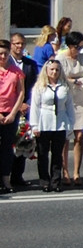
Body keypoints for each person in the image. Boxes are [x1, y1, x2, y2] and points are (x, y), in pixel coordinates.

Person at [30, 58, 75, 192]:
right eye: (52, 69)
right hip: (44, 122)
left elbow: (69, 108)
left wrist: (70, 125)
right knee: (43, 154)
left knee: (57, 155)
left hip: (60, 123)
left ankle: (56, 182)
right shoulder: (40, 87)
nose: (54, 72)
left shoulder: (65, 86)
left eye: (57, 70)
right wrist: (34, 125)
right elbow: (35, 107)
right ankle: (44, 181)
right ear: (46, 71)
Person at [57, 31, 83, 186]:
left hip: (80, 99)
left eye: (81, 47)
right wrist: (72, 81)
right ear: (70, 46)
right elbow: (61, 76)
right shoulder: (61, 58)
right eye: (76, 47)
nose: (78, 50)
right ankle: (65, 171)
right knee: (65, 138)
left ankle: (77, 172)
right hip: (66, 100)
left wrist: (80, 80)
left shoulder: (82, 58)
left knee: (79, 136)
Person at [6, 33, 39, 187]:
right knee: (7, 143)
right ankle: (5, 174)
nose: (19, 47)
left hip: (25, 108)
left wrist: (27, 104)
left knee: (24, 140)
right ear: (11, 45)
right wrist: (17, 105)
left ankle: (18, 176)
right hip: (9, 107)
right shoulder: (5, 62)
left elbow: (33, 87)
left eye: (22, 44)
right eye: (16, 43)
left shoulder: (30, 64)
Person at [0, 40, 26, 194]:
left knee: (7, 148)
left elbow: (21, 93)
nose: (3, 56)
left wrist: (12, 113)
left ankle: (5, 179)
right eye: (0, 54)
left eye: (5, 53)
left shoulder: (16, 71)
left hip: (11, 114)